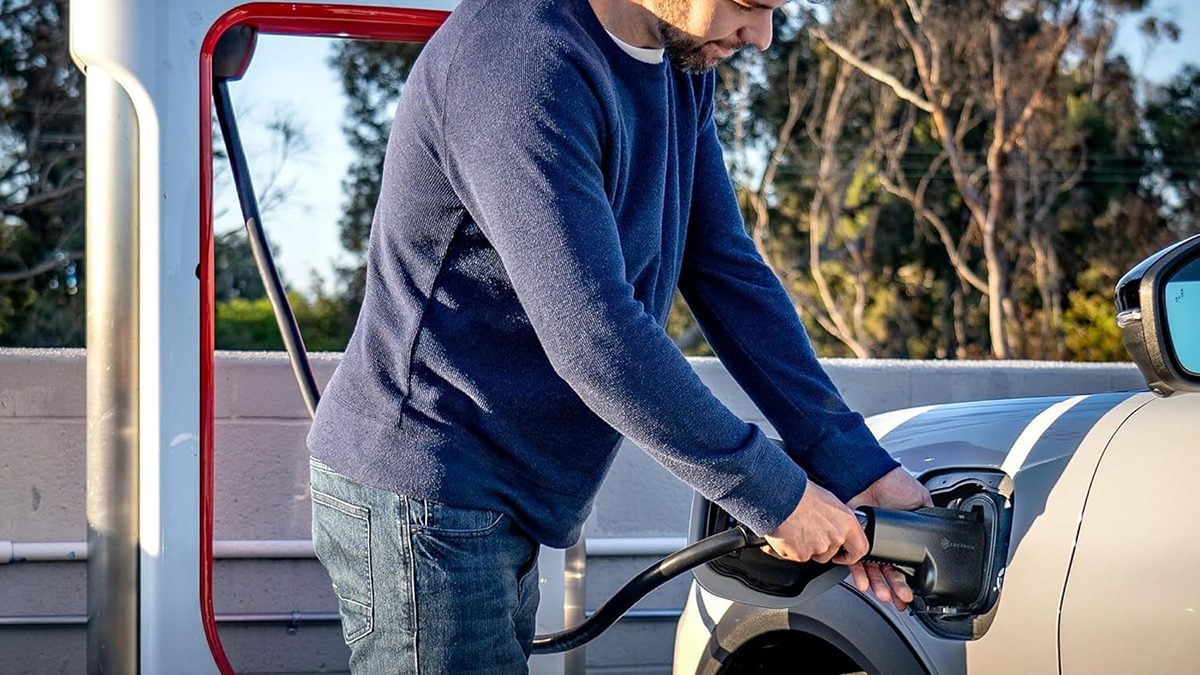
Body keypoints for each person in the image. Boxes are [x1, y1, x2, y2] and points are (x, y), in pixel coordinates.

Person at [306, 0, 932, 672]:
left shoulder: (683, 55)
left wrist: (855, 463)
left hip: (495, 492)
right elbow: (595, 334)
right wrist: (776, 495)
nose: (761, 36)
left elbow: (721, 263)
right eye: (749, 5)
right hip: (426, 485)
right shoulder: (519, 61)